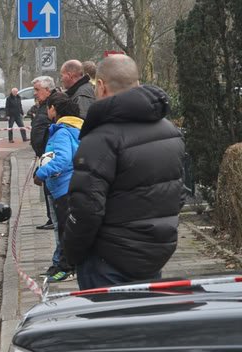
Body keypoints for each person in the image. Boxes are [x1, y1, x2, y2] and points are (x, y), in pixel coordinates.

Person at [64, 55, 185, 290]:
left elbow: (86, 208)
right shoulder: (170, 131)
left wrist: (72, 255)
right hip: (154, 255)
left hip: (107, 260)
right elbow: (177, 194)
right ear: (137, 83)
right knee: (143, 325)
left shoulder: (100, 139)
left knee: (106, 326)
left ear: (100, 86)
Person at [33, 91, 83, 283]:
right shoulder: (72, 128)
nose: (47, 111)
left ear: (54, 109)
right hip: (67, 186)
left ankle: (67, 268)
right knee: (64, 228)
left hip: (64, 187)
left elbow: (62, 159)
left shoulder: (62, 132)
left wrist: (41, 173)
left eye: (48, 108)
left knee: (65, 230)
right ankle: (60, 264)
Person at [30, 76, 57, 236]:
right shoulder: (42, 104)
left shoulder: (53, 104)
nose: (35, 93)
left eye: (37, 90)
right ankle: (50, 218)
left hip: (49, 153)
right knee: (47, 187)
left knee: (50, 187)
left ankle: (53, 219)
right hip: (43, 152)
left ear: (48, 90)